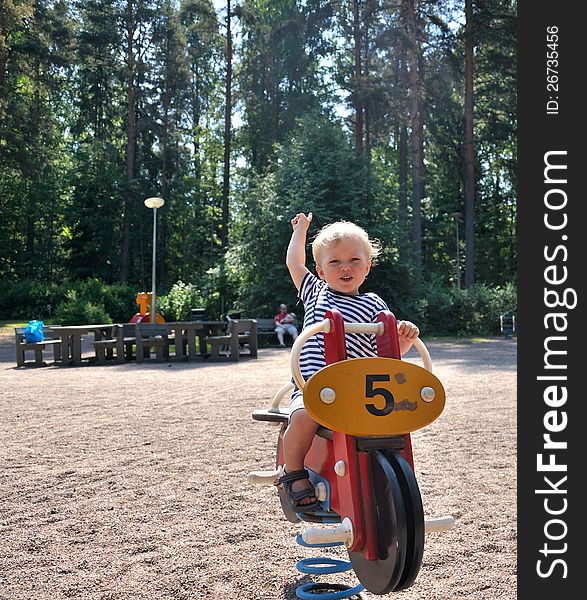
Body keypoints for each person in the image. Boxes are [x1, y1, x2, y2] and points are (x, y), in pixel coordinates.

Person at [278, 212, 420, 512]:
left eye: (355, 260)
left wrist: (404, 338)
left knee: (391, 423)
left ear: (367, 266)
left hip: (360, 390)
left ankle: (392, 483)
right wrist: (301, 230)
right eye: (334, 262)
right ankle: (292, 472)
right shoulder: (315, 291)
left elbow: (388, 354)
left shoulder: (375, 304)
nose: (345, 267)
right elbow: (294, 263)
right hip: (314, 387)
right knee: (304, 417)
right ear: (320, 269)